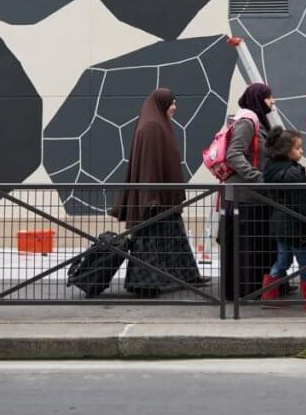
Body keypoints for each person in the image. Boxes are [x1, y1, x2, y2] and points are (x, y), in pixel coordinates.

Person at [110, 88, 208, 296]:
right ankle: (144, 284)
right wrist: (150, 196)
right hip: (155, 199)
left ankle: (187, 276)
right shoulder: (153, 127)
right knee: (149, 238)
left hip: (163, 196)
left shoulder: (158, 124)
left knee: (173, 235)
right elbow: (149, 164)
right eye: (171, 102)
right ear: (161, 103)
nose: (175, 106)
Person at [261, 127, 306, 312]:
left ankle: (268, 295)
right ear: (286, 150)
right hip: (294, 225)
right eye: (297, 148)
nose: (302, 151)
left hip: (279, 223)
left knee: (283, 260)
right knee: (305, 262)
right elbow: (303, 204)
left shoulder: (270, 167)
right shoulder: (293, 173)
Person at [219, 83, 273, 300]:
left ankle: (256, 287)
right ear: (258, 100)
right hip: (245, 197)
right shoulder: (247, 122)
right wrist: (256, 177)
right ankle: (244, 290)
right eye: (269, 98)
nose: (272, 102)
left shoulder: (255, 121)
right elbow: (234, 154)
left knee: (256, 245)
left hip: (253, 197)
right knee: (247, 246)